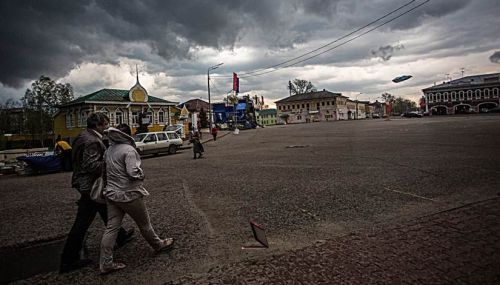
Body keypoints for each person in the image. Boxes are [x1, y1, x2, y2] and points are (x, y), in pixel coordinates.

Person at [60, 112, 134, 273]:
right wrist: (112, 164)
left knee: (104, 208)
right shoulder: (92, 140)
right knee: (82, 222)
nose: (107, 127)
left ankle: (120, 236)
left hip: (85, 182)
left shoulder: (82, 136)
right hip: (90, 185)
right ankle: (68, 259)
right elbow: (91, 165)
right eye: (106, 124)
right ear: (98, 125)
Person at [100, 124, 175, 274]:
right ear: (128, 135)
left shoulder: (109, 150)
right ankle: (158, 244)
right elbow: (132, 172)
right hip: (129, 194)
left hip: (112, 194)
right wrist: (141, 175)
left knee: (111, 228)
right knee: (144, 223)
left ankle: (105, 262)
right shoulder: (129, 150)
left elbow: (104, 171)